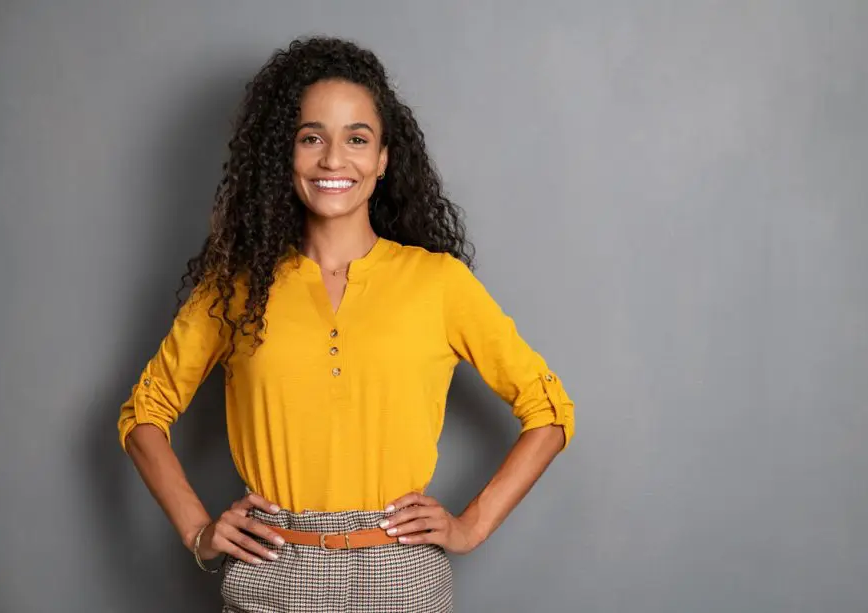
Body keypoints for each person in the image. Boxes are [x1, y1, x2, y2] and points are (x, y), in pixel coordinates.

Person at [117, 35, 575, 612]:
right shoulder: (236, 286)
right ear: (285, 154)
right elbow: (144, 414)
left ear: (383, 159)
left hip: (402, 578)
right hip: (271, 575)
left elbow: (549, 410)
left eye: (356, 139)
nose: (334, 160)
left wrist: (472, 525)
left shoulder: (438, 282)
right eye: (312, 138)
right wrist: (198, 531)